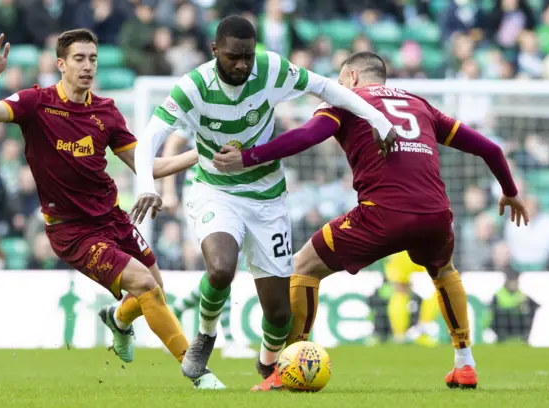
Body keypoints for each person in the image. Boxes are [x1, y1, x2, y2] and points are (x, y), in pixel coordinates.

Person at [212, 51, 530, 390]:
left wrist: (248, 157)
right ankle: (465, 364)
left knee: (303, 267)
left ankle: (288, 367)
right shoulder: (420, 105)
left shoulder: (345, 100)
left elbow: (306, 137)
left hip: (382, 214)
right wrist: (510, 191)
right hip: (435, 215)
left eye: (338, 80)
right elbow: (491, 150)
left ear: (350, 76)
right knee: (444, 272)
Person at [130, 16, 396, 390]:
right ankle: (205, 336)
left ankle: (267, 365)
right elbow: (151, 137)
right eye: (233, 57)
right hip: (216, 190)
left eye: (248, 57)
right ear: (214, 51)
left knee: (279, 314)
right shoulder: (193, 87)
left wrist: (377, 119)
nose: (242, 65)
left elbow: (327, 89)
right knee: (221, 267)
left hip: (268, 197)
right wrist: (146, 185)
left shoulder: (271, 68)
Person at [0, 29, 223, 390]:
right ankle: (196, 371)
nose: (88, 66)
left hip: (114, 218)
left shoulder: (106, 111)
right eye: (79, 58)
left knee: (154, 292)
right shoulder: (35, 103)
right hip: (72, 231)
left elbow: (149, 166)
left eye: (93, 59)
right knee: (146, 286)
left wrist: (202, 154)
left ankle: (118, 320)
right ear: (61, 64)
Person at [161, 129, 258, 359]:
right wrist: (168, 190)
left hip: (234, 190)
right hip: (203, 190)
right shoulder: (203, 99)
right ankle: (230, 340)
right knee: (221, 265)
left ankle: (175, 312)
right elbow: (174, 142)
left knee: (224, 269)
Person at [384, 251, 439, 347]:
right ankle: (424, 332)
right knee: (434, 287)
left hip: (400, 248)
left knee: (400, 291)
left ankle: (399, 336)